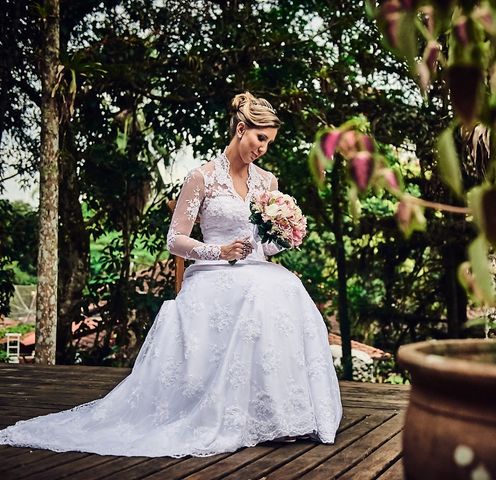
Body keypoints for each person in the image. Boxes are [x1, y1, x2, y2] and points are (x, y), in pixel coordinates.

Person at [0, 92, 343, 457]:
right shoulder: (203, 178)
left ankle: (283, 416)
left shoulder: (268, 183)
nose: (264, 148)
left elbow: (263, 244)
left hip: (256, 269)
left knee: (288, 287)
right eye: (261, 139)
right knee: (261, 294)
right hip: (213, 272)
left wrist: (285, 235)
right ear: (241, 129)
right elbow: (174, 239)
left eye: (269, 143)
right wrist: (219, 252)